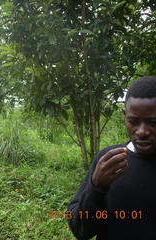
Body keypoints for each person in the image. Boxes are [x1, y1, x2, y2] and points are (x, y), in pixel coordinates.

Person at [67, 76, 156, 240]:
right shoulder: (109, 160)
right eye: (133, 121)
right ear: (125, 116)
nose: (142, 131)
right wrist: (97, 188)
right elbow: (80, 230)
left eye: (153, 122)